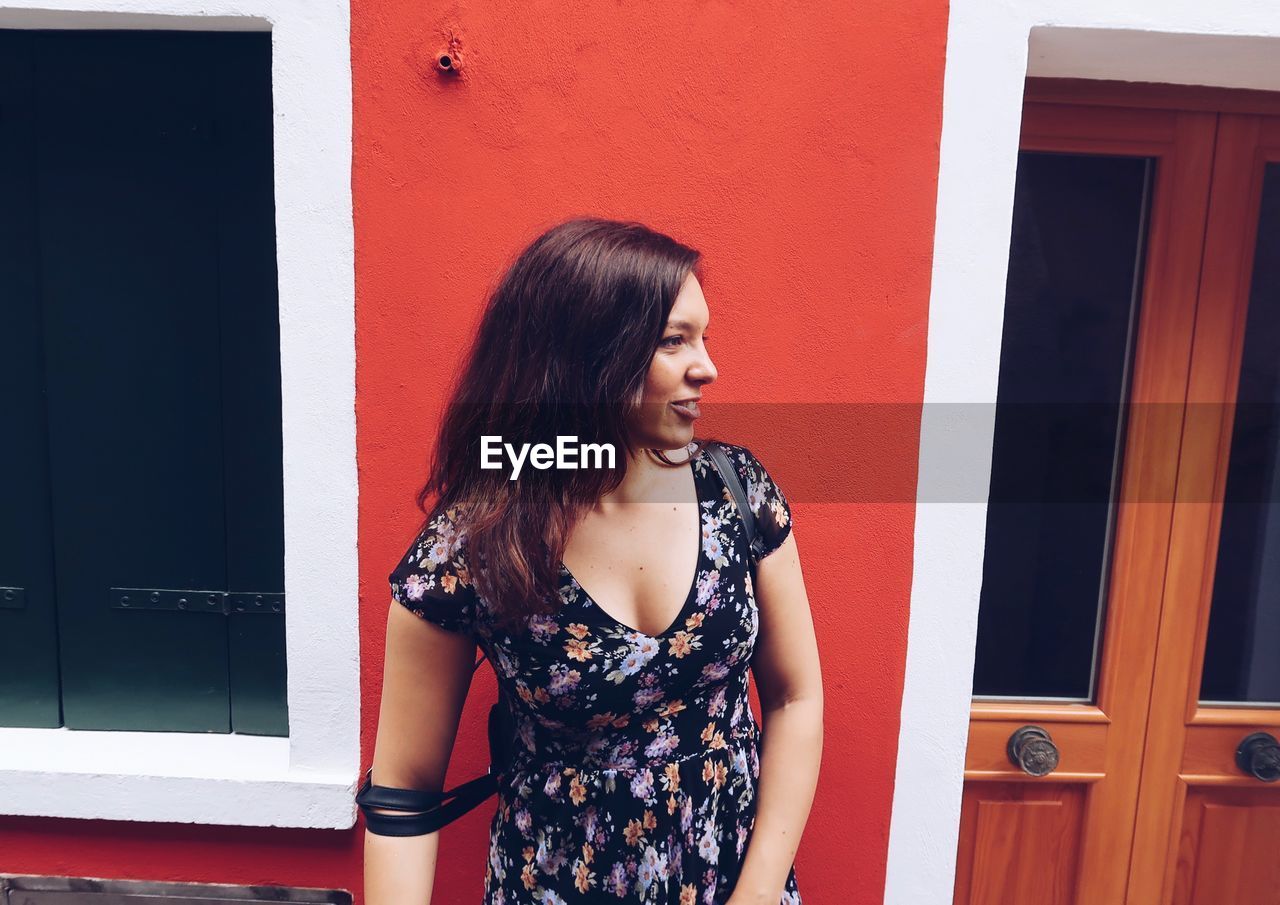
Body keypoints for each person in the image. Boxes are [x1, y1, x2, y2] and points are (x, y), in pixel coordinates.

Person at [366, 217, 823, 905]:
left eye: (703, 336)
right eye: (675, 341)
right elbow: (403, 793)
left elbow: (796, 696)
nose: (708, 366)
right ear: (587, 360)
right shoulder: (475, 543)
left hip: (730, 882)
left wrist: (757, 891)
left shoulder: (736, 491)